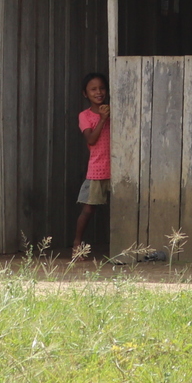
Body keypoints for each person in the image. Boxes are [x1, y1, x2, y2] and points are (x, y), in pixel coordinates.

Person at [73, 72, 110, 255]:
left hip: (119, 167)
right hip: (98, 168)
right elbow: (91, 140)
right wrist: (103, 119)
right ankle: (77, 244)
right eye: (93, 89)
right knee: (88, 209)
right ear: (85, 94)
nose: (99, 92)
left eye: (102, 88)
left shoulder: (114, 110)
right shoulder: (85, 116)